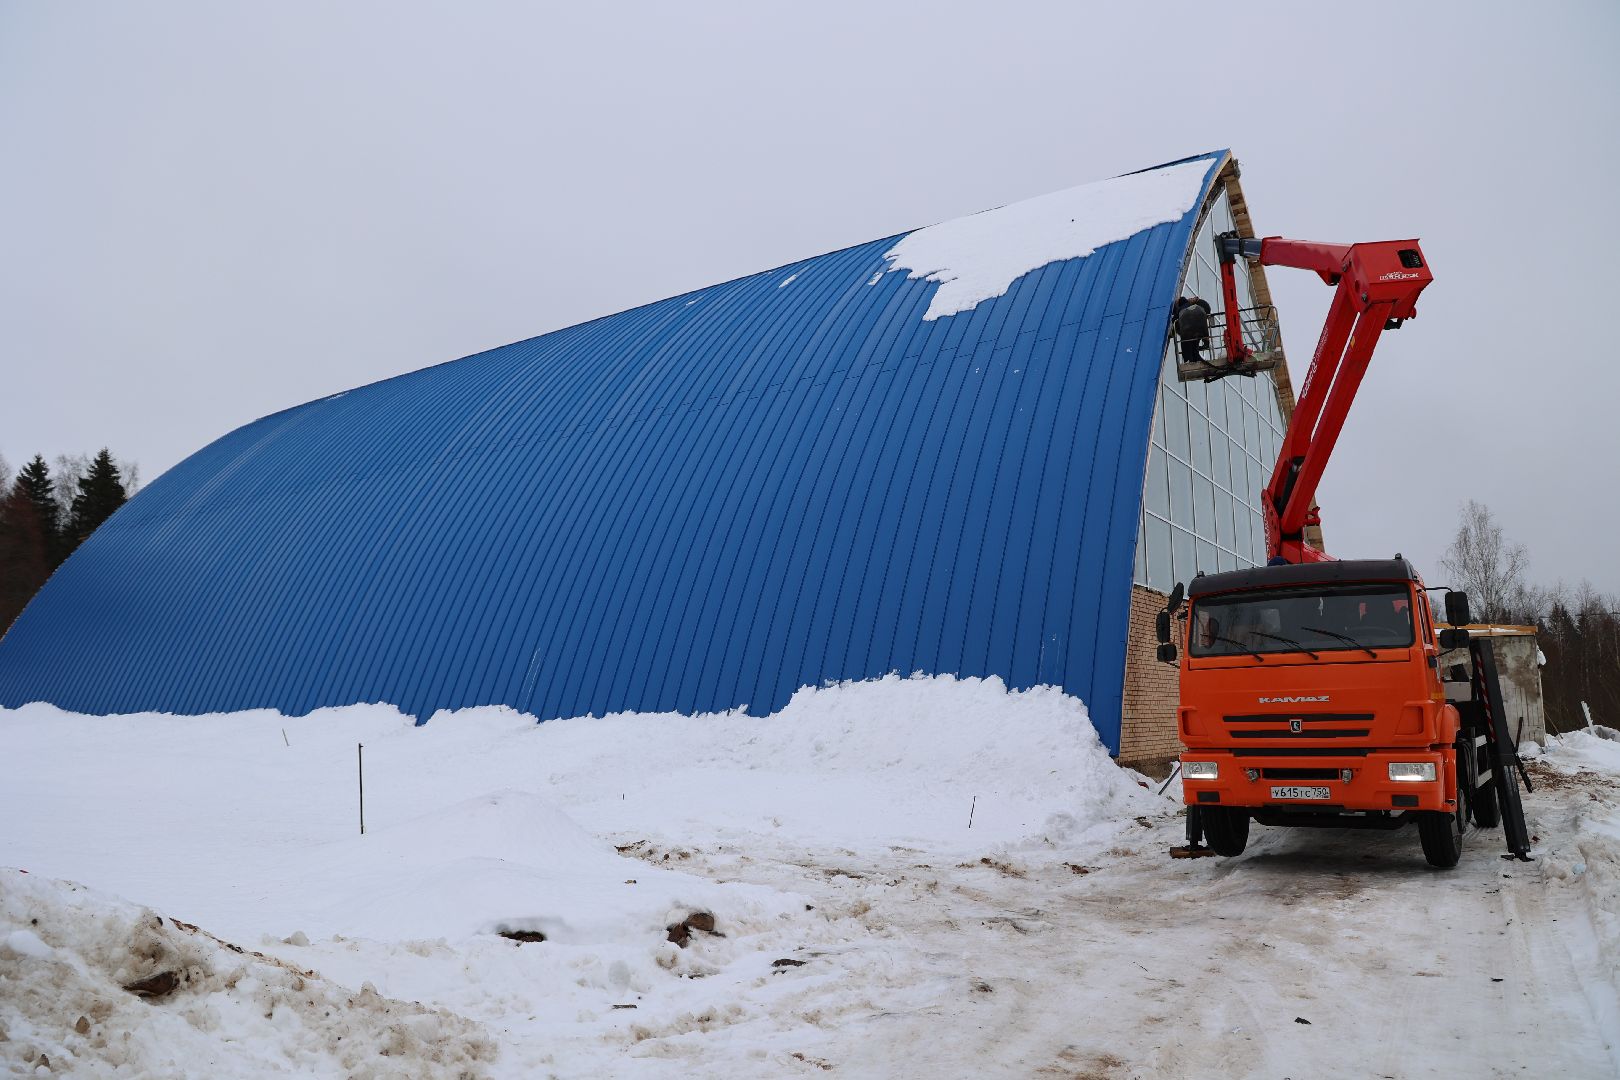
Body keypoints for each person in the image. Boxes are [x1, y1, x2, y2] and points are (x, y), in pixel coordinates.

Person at [1171, 296, 1212, 366]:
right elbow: (1204, 328)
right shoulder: (1192, 305)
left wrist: (1172, 332)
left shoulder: (1184, 307)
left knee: (1187, 345)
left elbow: (1174, 320)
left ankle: (1189, 360)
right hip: (1197, 327)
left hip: (1189, 329)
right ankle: (1195, 358)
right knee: (1194, 345)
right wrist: (1206, 342)